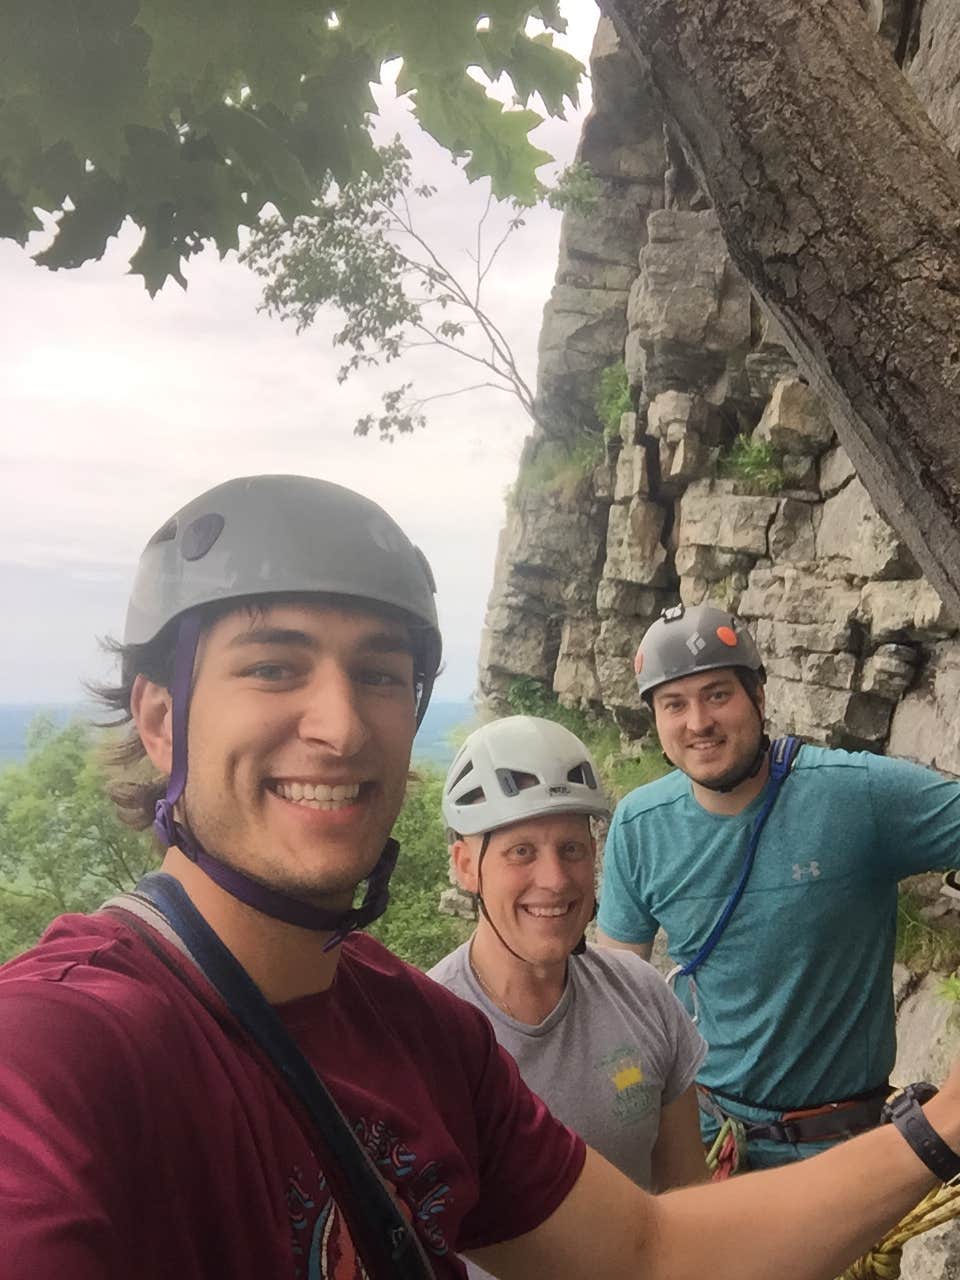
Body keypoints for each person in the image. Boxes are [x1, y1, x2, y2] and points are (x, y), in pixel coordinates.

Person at [2, 476, 960, 1280]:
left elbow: (650, 1249)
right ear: (162, 721)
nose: (338, 724)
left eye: (380, 675)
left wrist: (944, 1125)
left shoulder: (422, 1035)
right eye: (272, 667)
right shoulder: (56, 1052)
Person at [597, 601, 960, 1171]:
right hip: (703, 1137)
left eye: (718, 694)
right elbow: (621, 1000)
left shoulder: (854, 795)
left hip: (837, 1147)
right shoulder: (640, 825)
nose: (698, 722)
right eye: (674, 704)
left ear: (758, 699)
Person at [429, 714, 707, 1229]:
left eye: (572, 849)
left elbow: (690, 1202)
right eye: (522, 852)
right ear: (466, 865)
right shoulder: (425, 1034)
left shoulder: (641, 995)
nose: (555, 880)